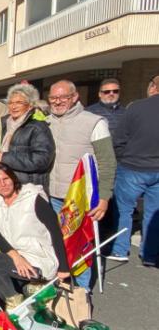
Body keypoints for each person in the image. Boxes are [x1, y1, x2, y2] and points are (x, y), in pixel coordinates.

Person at [47, 80, 115, 289]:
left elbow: (107, 161)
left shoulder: (93, 122)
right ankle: (59, 285)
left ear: (75, 97)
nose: (58, 102)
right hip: (51, 194)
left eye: (63, 97)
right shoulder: (45, 121)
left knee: (80, 244)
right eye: (53, 98)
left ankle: (82, 291)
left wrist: (104, 197)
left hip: (79, 197)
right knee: (55, 244)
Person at [0, 163, 70, 310]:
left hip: (39, 260)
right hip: (18, 258)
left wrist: (63, 267)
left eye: (6, 179)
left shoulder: (33, 198)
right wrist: (17, 257)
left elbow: (55, 231)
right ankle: (28, 296)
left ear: (13, 178)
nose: (3, 184)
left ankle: (16, 303)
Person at [110, 91, 159, 266]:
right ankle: (150, 255)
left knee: (124, 210)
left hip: (132, 166)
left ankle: (120, 249)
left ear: (152, 88)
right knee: (154, 213)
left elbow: (119, 139)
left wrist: (123, 158)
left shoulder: (136, 107)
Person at [0, 83, 55, 191]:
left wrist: (4, 158)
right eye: (10, 103)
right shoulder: (7, 124)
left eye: (19, 102)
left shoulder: (37, 126)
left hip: (28, 188)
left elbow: (42, 160)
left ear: (30, 105)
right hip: (8, 185)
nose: (13, 106)